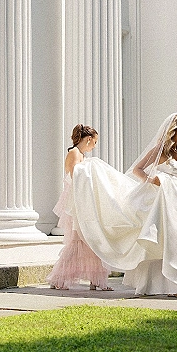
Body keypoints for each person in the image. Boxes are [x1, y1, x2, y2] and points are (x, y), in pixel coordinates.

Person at [71, 113, 177, 297]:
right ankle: (169, 287)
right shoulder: (161, 149)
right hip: (160, 202)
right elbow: (138, 170)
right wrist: (153, 180)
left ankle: (173, 285)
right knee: (162, 242)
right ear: (172, 130)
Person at [46, 124, 112, 291]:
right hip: (77, 202)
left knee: (92, 240)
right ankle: (59, 279)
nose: (95, 146)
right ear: (88, 139)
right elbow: (76, 178)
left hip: (83, 201)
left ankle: (96, 280)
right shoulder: (74, 153)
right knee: (78, 240)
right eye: (95, 142)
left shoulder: (81, 155)